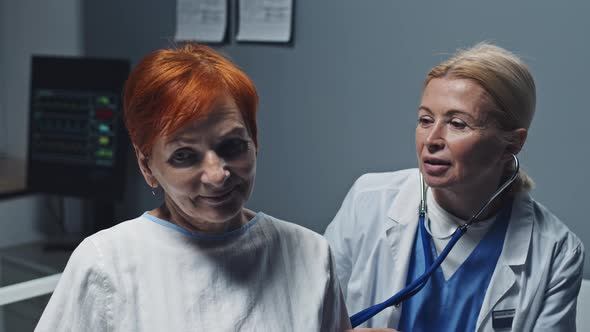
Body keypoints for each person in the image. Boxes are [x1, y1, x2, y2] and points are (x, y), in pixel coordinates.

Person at [35, 43, 351, 331]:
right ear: (147, 166)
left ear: (255, 141)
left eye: (232, 146)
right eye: (184, 156)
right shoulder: (106, 263)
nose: (217, 175)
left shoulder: (310, 253)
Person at [325, 42, 585, 331]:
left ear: (512, 142)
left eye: (458, 124)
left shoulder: (557, 251)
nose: (432, 139)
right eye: (425, 120)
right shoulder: (369, 201)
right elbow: (309, 314)